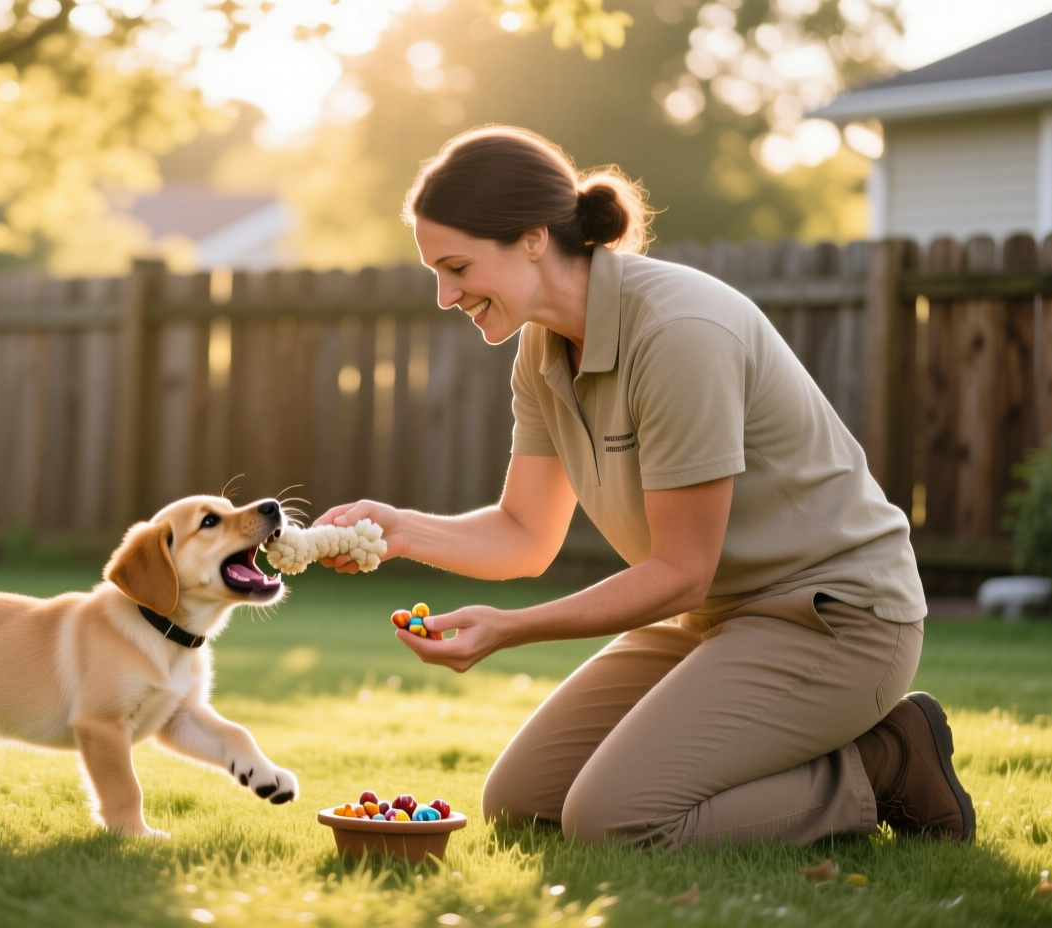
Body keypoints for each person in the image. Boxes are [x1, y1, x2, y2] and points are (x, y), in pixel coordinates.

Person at [313, 125, 973, 850]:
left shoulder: (678, 331)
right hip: (715, 621)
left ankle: (884, 764)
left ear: (533, 238)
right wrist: (404, 531)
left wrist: (511, 628)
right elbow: (525, 534)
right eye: (436, 272)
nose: (445, 295)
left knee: (613, 823)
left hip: (836, 620)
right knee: (522, 801)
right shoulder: (541, 350)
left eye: (457, 266)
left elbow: (682, 573)